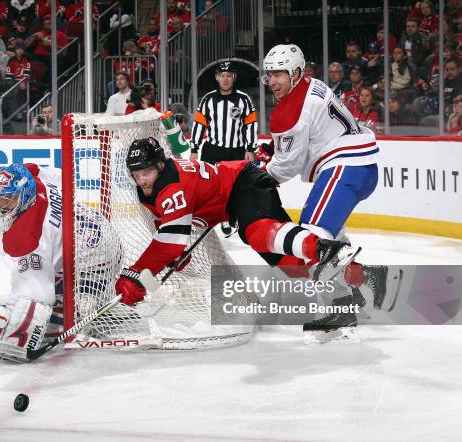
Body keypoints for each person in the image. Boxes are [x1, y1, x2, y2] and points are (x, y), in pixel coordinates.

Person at [114, 137, 361, 308]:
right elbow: (169, 238)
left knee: (256, 232)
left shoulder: (171, 186)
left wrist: (136, 274)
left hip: (242, 182)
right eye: (136, 175)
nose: (142, 180)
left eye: (147, 172)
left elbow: (168, 244)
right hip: (233, 200)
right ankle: (353, 280)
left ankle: (326, 248)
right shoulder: (151, 190)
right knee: (292, 267)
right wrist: (163, 266)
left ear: (160, 165)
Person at [260, 44, 389, 338]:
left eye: (279, 73)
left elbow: (287, 166)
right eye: (269, 74)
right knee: (332, 240)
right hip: (359, 167)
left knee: (310, 240)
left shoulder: (287, 111)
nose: (273, 81)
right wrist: (272, 149)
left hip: (345, 168)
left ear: (295, 72)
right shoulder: (311, 85)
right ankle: (367, 277)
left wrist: (259, 174)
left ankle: (341, 307)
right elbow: (308, 135)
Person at [0, 162, 121, 362]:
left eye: (10, 199)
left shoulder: (27, 237)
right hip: (106, 236)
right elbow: (42, 170)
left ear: (25, 193)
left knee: (64, 318)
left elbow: (39, 297)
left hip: (95, 266)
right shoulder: (36, 179)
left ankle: (90, 297)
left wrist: (18, 323)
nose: (2, 205)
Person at [190, 61, 259, 235]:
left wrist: (250, 148)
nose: (225, 79)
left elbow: (250, 125)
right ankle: (205, 220)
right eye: (222, 75)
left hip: (236, 151)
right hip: (212, 150)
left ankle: (228, 218)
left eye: (229, 76)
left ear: (234, 78)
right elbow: (199, 124)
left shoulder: (244, 99)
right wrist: (194, 148)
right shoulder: (208, 99)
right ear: (217, 77)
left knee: (233, 188)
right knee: (209, 189)